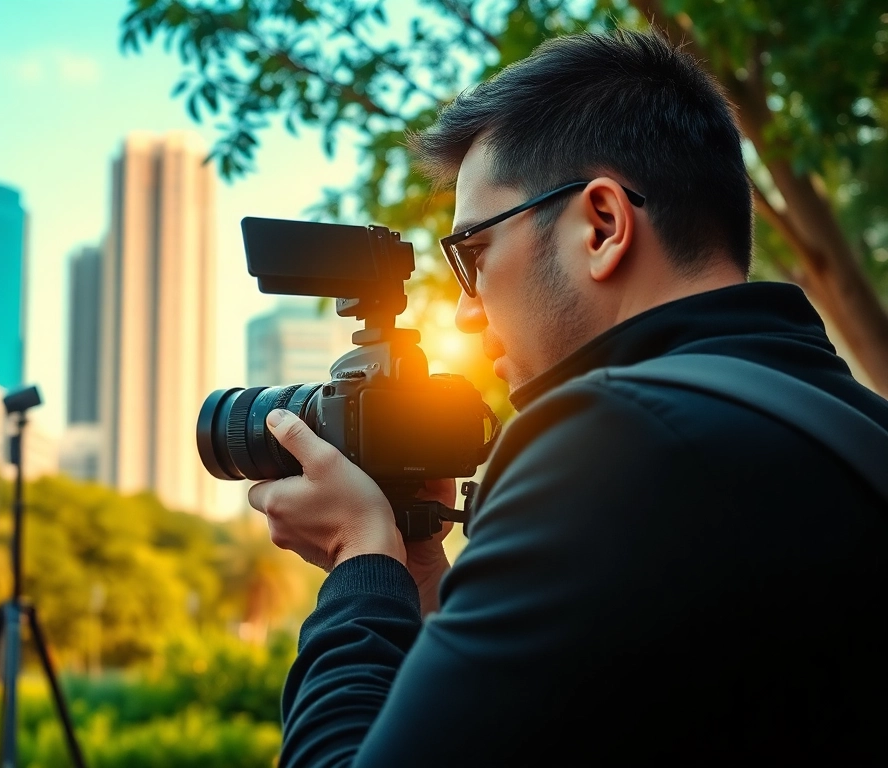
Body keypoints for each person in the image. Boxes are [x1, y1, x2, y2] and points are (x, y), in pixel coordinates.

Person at [248, 29, 888, 765]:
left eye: (475, 253)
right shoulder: (852, 429)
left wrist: (358, 557)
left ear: (603, 225)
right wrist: (419, 574)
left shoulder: (612, 441)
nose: (465, 311)